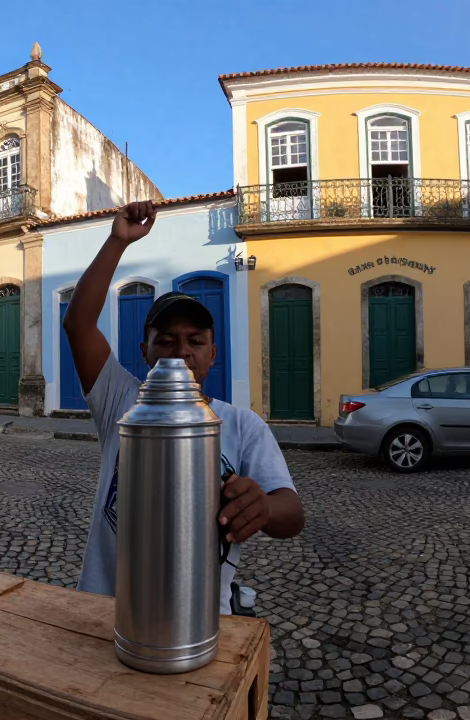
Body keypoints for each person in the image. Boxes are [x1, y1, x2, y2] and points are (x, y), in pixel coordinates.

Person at [62, 201, 305, 615]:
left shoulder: (242, 425)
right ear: (144, 352)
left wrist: (262, 507)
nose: (180, 353)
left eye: (195, 341)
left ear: (212, 352)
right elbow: (78, 324)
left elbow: (292, 513)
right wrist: (117, 241)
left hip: (201, 619)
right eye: (165, 340)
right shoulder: (122, 400)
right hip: (106, 608)